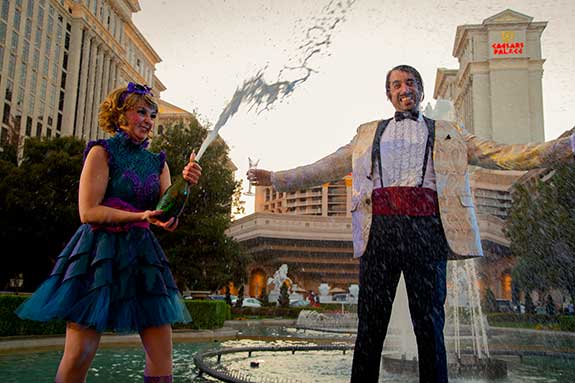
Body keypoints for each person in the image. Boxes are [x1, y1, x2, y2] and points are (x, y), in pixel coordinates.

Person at [247, 64, 575, 383]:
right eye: (397, 84)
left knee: (429, 322)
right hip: (380, 232)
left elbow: (500, 153)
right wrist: (277, 178)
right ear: (388, 94)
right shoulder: (367, 133)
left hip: (427, 230)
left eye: (411, 82)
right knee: (371, 323)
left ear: (419, 90)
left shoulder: (449, 131)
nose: (405, 89)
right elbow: (327, 166)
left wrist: (562, 149)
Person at [15, 82, 202, 383]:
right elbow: (88, 212)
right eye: (141, 112)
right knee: (78, 355)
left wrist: (186, 187)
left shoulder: (159, 163)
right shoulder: (101, 152)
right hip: (98, 255)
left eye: (152, 115)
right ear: (120, 115)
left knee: (162, 355)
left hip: (143, 257)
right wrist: (139, 215)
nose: (148, 120)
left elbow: (167, 218)